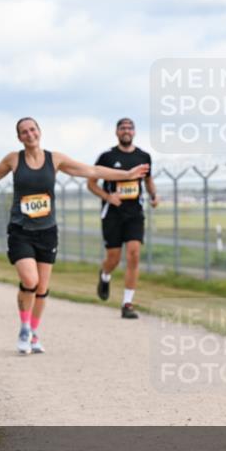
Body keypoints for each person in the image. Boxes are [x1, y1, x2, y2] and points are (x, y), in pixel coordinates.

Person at [0, 117, 148, 355]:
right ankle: (24, 328)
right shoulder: (13, 159)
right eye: (24, 132)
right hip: (20, 231)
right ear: (19, 137)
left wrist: (127, 174)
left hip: (47, 232)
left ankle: (33, 332)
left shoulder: (55, 159)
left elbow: (92, 170)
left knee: (42, 288)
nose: (29, 134)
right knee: (30, 281)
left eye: (33, 129)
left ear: (39, 131)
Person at [87, 118, 158, 318]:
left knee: (134, 254)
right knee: (114, 258)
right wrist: (108, 196)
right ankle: (105, 275)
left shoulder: (143, 156)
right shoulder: (107, 157)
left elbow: (148, 180)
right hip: (112, 214)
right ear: (116, 132)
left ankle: (127, 304)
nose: (126, 131)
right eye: (122, 128)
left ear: (134, 132)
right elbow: (91, 184)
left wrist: (153, 195)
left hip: (134, 213)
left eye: (130, 128)